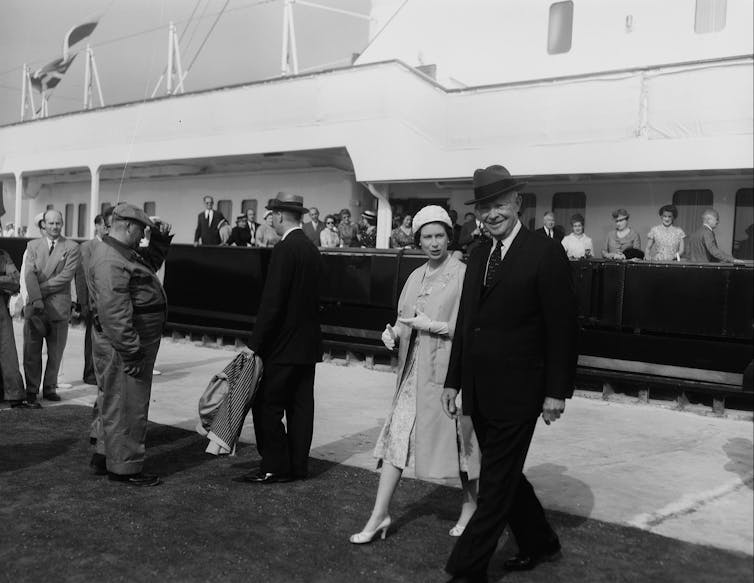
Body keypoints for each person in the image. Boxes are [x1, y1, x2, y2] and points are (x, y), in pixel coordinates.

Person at [442, 165, 578, 581]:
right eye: (484, 207)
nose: (492, 213)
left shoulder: (544, 252)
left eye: (499, 204)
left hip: (521, 391)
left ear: (518, 202)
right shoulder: (479, 252)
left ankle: (465, 568)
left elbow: (563, 328)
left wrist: (557, 391)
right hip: (480, 390)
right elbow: (468, 320)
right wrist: (454, 379)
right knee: (506, 474)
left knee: (496, 483)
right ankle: (540, 541)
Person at [349, 205, 480, 545]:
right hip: (412, 374)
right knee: (396, 438)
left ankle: (471, 506)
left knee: (460, 444)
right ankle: (380, 514)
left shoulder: (462, 273)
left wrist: (436, 326)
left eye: (439, 236)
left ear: (449, 237)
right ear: (419, 240)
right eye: (427, 237)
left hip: (447, 374)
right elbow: (405, 317)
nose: (434, 243)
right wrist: (393, 334)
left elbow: (471, 326)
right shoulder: (414, 275)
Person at [238, 192, 322, 484]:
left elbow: (272, 303)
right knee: (301, 407)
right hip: (308, 345)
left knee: (267, 405)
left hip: (283, 346)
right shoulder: (311, 249)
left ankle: (274, 464)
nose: (269, 218)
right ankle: (298, 466)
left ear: (281, 216)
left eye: (271, 213)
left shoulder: (285, 250)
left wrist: (255, 344)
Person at [88, 204, 172, 486]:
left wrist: (160, 239)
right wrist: (132, 351)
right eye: (142, 230)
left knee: (113, 401)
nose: (143, 237)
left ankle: (105, 455)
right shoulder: (111, 259)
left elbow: (149, 265)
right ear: (127, 225)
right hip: (127, 347)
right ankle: (125, 468)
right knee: (128, 405)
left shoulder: (121, 252)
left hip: (128, 343)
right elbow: (114, 314)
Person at [22, 210, 80, 403]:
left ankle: (49, 388)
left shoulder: (71, 247)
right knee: (31, 351)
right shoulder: (32, 246)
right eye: (51, 223)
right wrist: (36, 298)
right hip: (36, 307)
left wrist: (38, 290)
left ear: (62, 224)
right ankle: (31, 390)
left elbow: (66, 276)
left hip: (58, 307)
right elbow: (28, 273)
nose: (55, 226)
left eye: (58, 223)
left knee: (56, 353)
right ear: (43, 225)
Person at [74, 213, 110, 386]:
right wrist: (83, 303)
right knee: (92, 339)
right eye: (105, 226)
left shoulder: (114, 247)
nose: (107, 230)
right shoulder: (87, 247)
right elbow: (83, 276)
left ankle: (104, 372)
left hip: (111, 302)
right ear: (97, 225)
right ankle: (90, 373)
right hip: (92, 302)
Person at [1, 247, 37, 408]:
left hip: (1, 313)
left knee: (6, 351)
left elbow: (15, 282)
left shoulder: (3, 255)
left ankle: (14, 394)